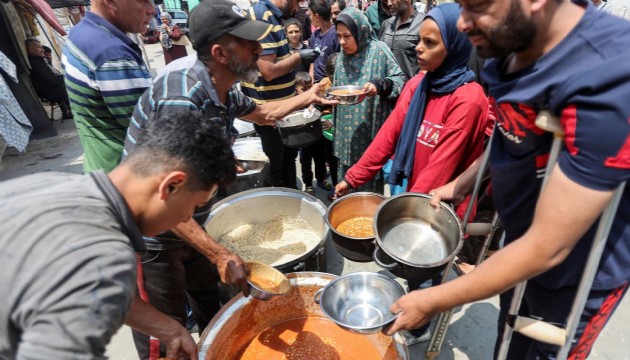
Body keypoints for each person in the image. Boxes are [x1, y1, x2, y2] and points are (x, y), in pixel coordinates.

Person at [385, 1, 630, 359]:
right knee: (509, 343)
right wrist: (463, 182)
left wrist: (433, 298)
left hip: (578, 276)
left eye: (477, 6)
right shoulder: (510, 42)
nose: (464, 24)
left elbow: (550, 245)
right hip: (516, 251)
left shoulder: (610, 79)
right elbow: (509, 130)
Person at [124, 1, 335, 358]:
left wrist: (307, 97)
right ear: (221, 53)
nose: (259, 50)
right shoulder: (182, 97)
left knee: (211, 308)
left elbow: (265, 113)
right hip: (154, 233)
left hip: (193, 219)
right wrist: (220, 254)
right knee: (167, 333)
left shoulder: (223, 88)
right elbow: (161, 195)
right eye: (249, 44)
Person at [0, 112, 236, 360]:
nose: (187, 219)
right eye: (193, 206)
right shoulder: (106, 252)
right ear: (171, 185)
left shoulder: (52, 183)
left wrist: (171, 330)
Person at [335, 3, 488, 344]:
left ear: (456, 47)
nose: (418, 48)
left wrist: (398, 217)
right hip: (411, 192)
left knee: (426, 270)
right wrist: (354, 177)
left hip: (438, 206)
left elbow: (442, 168)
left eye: (431, 43)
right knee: (408, 264)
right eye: (420, 40)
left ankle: (420, 326)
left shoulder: (469, 99)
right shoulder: (419, 83)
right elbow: (388, 136)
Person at [62, 0, 154, 173]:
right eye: (144, 1)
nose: (152, 10)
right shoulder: (112, 55)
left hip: (100, 166)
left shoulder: (79, 34)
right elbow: (152, 132)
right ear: (110, 2)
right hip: (127, 177)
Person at [242, 0, 321, 189]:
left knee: (288, 159)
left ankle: (291, 197)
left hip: (282, 111)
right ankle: (280, 206)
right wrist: (299, 57)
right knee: (276, 165)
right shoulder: (262, 16)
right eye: (297, 2)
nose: (297, 8)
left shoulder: (272, 17)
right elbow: (268, 71)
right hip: (269, 115)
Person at [333, 7, 404, 193]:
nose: (342, 41)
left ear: (360, 30)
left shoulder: (379, 51)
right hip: (345, 136)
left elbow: (400, 80)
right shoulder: (342, 57)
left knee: (368, 190)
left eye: (347, 36)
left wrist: (380, 85)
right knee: (345, 188)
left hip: (370, 131)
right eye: (339, 36)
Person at [25, 39, 72, 120]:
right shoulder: (35, 63)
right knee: (67, 84)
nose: (42, 50)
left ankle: (68, 110)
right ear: (31, 49)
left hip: (52, 88)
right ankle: (67, 111)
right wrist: (63, 78)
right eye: (39, 47)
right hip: (48, 92)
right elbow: (51, 80)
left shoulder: (39, 60)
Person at [379, 0, 425, 82]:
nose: (389, 3)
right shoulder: (387, 24)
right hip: (387, 90)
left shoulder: (423, 23)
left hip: (410, 90)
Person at [307, 0, 340, 83]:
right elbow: (312, 59)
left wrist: (328, 80)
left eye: (310, 14)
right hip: (316, 83)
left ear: (317, 16)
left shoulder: (336, 34)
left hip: (329, 82)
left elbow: (338, 62)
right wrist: (311, 76)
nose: (309, 18)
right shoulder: (314, 35)